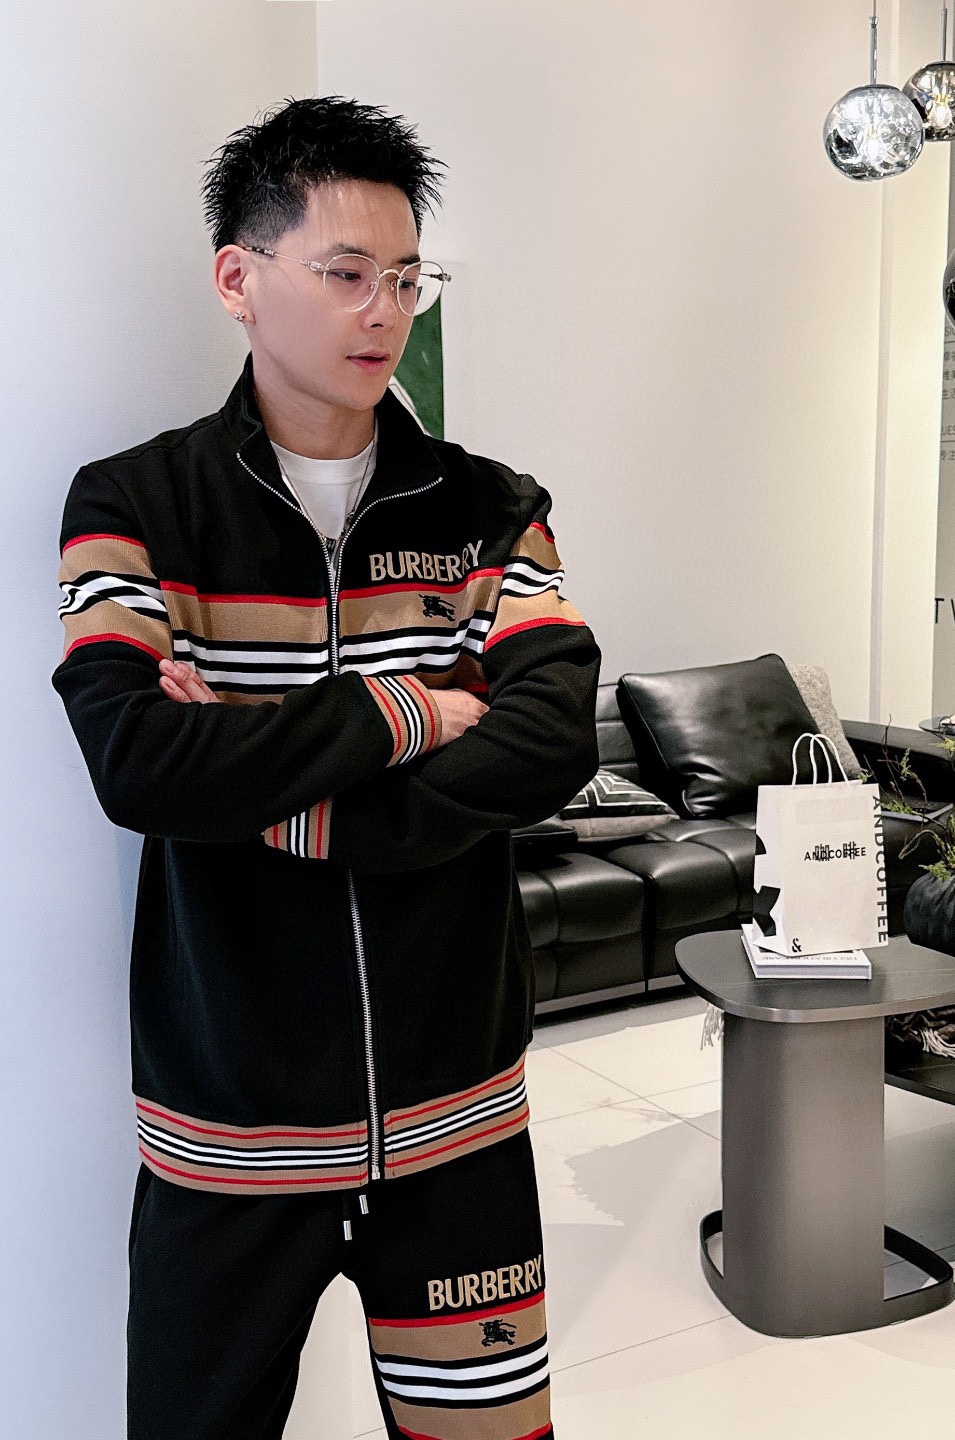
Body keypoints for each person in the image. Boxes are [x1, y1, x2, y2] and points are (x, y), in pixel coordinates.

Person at [52, 94, 601, 1440]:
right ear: (239, 279)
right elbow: (139, 761)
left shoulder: (493, 509)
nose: (384, 312)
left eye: (406, 278)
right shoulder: (133, 506)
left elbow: (550, 740)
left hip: (460, 1121)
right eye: (347, 272)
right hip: (226, 1141)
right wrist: (408, 710)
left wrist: (274, 806)